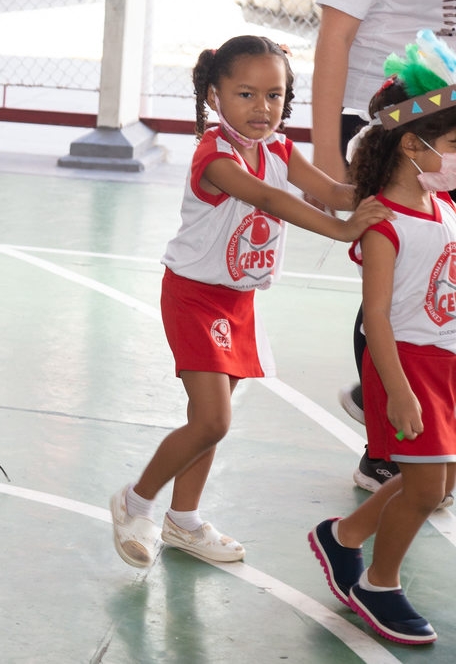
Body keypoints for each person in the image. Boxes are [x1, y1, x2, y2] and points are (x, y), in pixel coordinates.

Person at [110, 35, 392, 568]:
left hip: (238, 301)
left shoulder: (279, 149)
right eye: (246, 94)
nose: (263, 107)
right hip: (195, 297)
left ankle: (184, 520)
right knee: (213, 420)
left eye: (274, 95)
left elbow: (336, 192)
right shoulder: (213, 156)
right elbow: (269, 198)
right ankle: (136, 501)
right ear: (214, 96)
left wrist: (393, 190)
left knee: (206, 420)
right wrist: (342, 229)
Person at [310, 0, 456, 491]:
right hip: (393, 125)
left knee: (441, 281)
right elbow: (335, 38)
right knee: (397, 280)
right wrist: (325, 157)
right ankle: (385, 443)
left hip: (453, 126)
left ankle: (402, 406)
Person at [309, 34, 456, 645]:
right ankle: (379, 584)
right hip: (407, 364)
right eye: (454, 144)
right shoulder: (384, 224)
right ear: (413, 145)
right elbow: (376, 317)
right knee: (425, 487)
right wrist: (396, 390)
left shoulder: (442, 205)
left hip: (445, 362)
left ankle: (341, 536)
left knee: (441, 480)